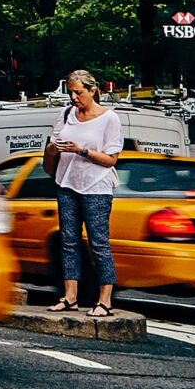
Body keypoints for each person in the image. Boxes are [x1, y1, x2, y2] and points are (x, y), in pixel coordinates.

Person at [44, 67, 125, 318]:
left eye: (79, 93)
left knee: (98, 242)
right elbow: (51, 148)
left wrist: (81, 151)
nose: (74, 98)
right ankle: (70, 297)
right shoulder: (67, 114)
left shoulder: (109, 119)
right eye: (71, 93)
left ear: (93, 90)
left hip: (96, 187)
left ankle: (105, 300)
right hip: (67, 182)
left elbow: (111, 159)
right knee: (69, 241)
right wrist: (53, 149)